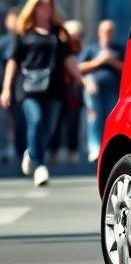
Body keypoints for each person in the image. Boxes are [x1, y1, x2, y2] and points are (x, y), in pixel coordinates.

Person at [0, 0, 82, 186]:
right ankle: (40, 166)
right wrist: (6, 89)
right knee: (35, 120)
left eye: (48, 5)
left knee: (48, 130)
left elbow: (68, 59)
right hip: (27, 89)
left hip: (54, 89)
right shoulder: (23, 34)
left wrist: (81, 79)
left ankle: (31, 152)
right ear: (34, 8)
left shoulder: (58, 34)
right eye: (41, 5)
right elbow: (13, 62)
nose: (45, 9)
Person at [79, 19, 124, 163]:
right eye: (105, 31)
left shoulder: (119, 49)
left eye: (111, 31)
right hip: (94, 90)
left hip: (113, 90)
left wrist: (111, 61)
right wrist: (98, 61)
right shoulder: (91, 49)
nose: (108, 34)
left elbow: (127, 68)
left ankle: (108, 148)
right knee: (95, 118)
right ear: (99, 33)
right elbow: (79, 67)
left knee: (110, 119)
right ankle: (94, 147)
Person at [50, 19, 85, 165]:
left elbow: (80, 66)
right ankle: (54, 151)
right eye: (71, 34)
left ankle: (72, 151)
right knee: (56, 123)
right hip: (59, 88)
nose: (74, 38)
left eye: (77, 34)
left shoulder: (82, 49)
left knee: (73, 122)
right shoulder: (59, 46)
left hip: (73, 90)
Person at [0, 8, 18, 164]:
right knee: (3, 119)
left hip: (20, 87)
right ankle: (3, 150)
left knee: (20, 120)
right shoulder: (4, 41)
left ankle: (21, 150)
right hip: (4, 86)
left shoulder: (22, 39)